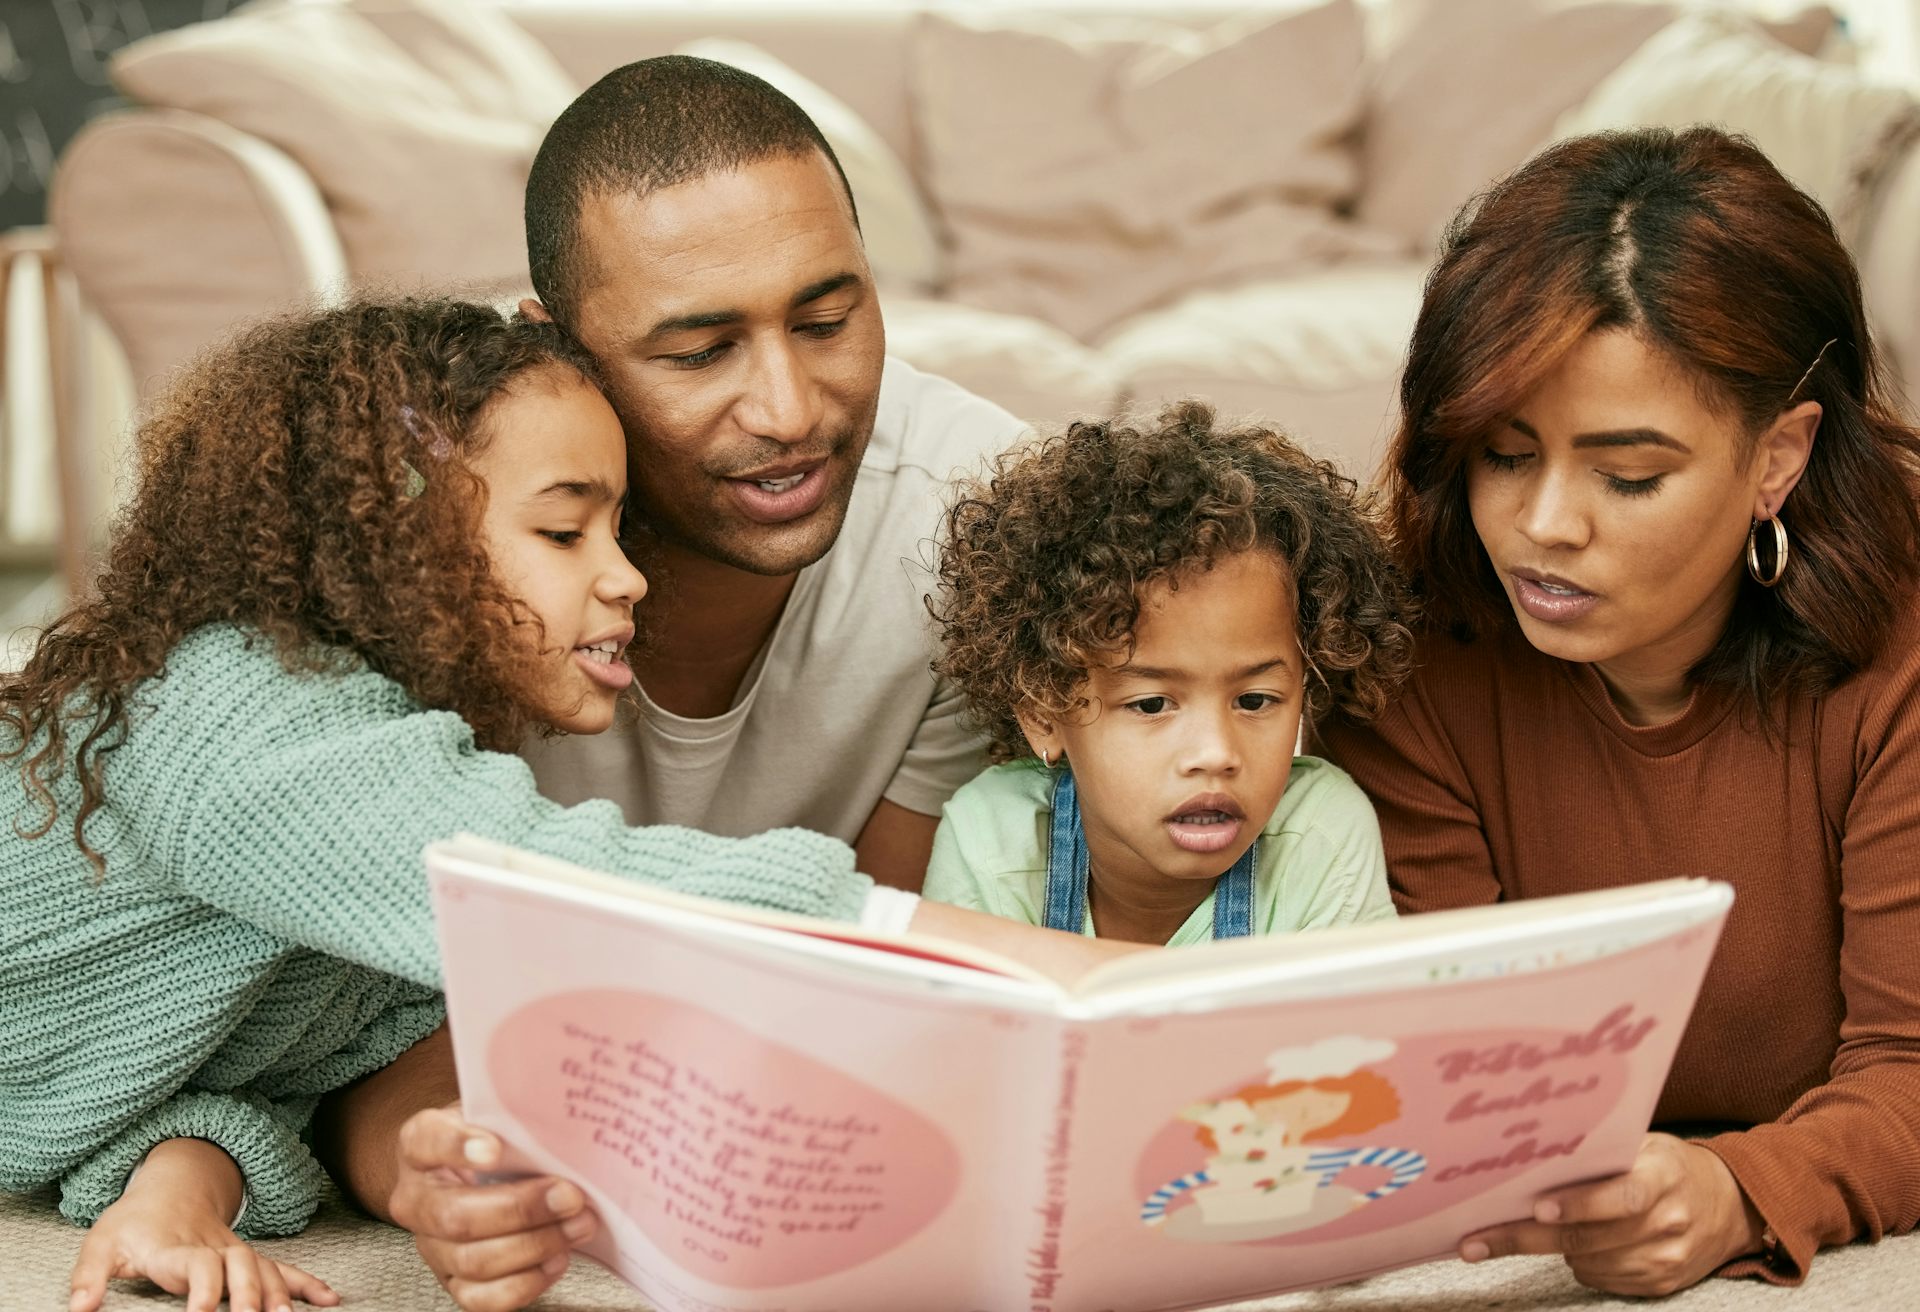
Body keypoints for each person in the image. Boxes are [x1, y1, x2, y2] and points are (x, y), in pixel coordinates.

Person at [0, 299, 1126, 1312]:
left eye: (618, 530)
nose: (627, 576)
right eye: (562, 531)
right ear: (393, 539)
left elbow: (217, 1085)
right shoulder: (235, 714)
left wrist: (174, 1189)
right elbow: (577, 890)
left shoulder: (394, 783)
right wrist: (1080, 983)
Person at [1315, 126, 1920, 1296]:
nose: (1545, 525)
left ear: (1779, 458)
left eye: (1628, 474)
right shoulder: (1404, 655)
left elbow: (1912, 1063)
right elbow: (1457, 1062)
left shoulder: (1901, 647)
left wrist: (1738, 1189)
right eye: (1504, 454)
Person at [517, 55, 1025, 889]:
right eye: (700, 353)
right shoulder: (437, 518)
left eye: (825, 322)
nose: (788, 415)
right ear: (556, 351)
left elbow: (892, 941)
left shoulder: (982, 521)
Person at [922, 403, 1409, 944]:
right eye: (1152, 704)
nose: (1216, 754)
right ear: (1043, 711)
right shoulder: (991, 841)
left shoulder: (1320, 834)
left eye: (1254, 700)